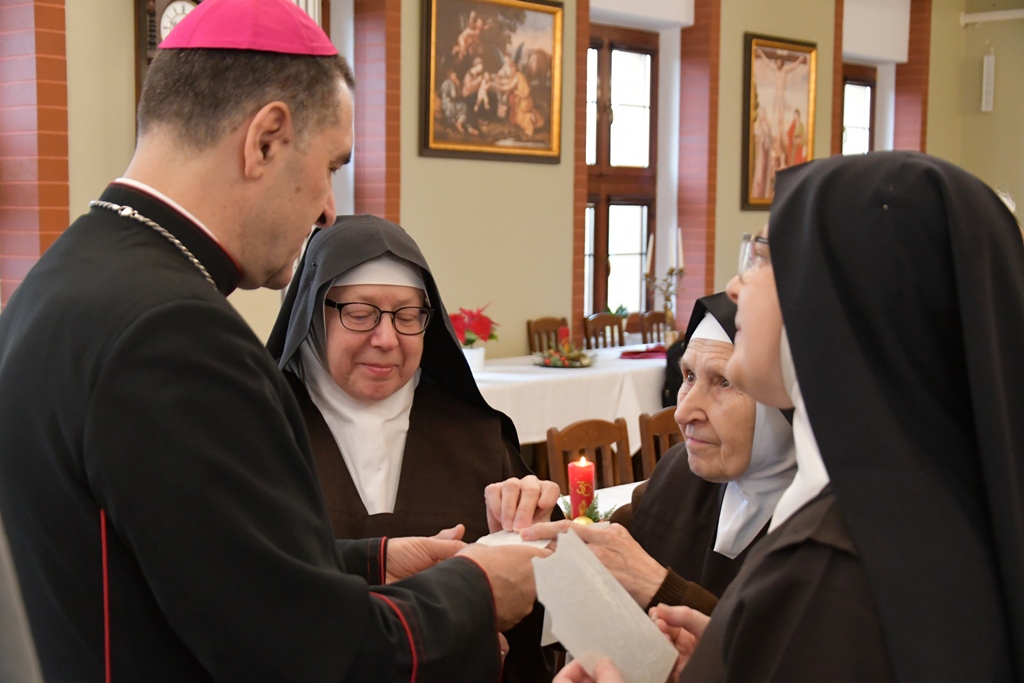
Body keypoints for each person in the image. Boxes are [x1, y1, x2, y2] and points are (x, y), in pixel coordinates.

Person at [0, 0, 545, 680]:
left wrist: (373, 560)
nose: (328, 210)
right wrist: (477, 592)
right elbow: (302, 652)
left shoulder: (65, 274)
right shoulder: (175, 333)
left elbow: (201, 564)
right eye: (332, 166)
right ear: (266, 139)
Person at [266, 215, 555, 681]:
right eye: (360, 313)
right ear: (313, 317)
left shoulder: (477, 436)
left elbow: (549, 616)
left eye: (407, 316)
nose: (386, 339)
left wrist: (536, 536)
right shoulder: (260, 433)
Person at [517, 293, 796, 616]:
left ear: (787, 401)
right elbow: (607, 551)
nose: (683, 412)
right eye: (689, 376)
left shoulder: (826, 525)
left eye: (724, 382)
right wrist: (540, 529)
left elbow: (782, 647)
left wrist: (661, 588)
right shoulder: (679, 470)